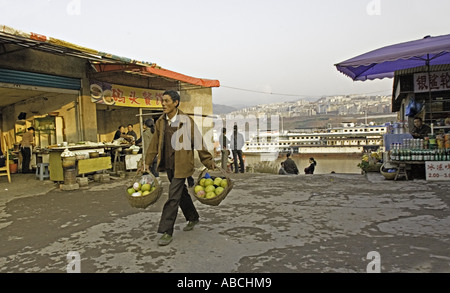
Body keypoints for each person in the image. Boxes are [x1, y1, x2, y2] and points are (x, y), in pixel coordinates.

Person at [140, 90, 215, 246]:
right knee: (181, 194)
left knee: (173, 196)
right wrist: (147, 161)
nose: (163, 104)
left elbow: (198, 141)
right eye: (163, 101)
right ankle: (193, 217)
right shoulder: (161, 122)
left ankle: (167, 231)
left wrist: (207, 160)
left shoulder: (186, 121)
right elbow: (154, 144)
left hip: (182, 164)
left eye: (167, 101)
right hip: (168, 164)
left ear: (175, 103)